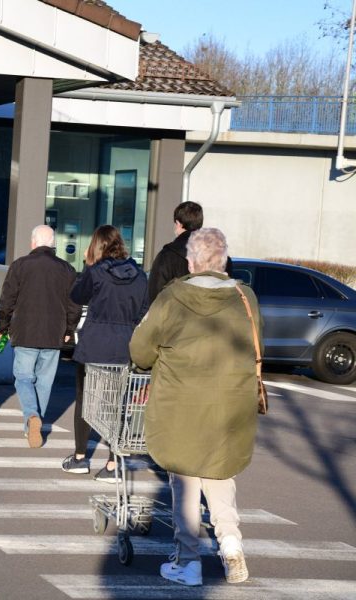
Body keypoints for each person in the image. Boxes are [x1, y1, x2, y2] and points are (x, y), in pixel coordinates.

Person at [130, 227, 260, 587]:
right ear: (222, 261)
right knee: (219, 475)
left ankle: (188, 563)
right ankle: (231, 544)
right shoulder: (245, 297)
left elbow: (140, 351)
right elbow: (255, 346)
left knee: (185, 481)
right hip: (230, 404)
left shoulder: (172, 298)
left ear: (192, 261)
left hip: (181, 404)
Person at [61, 225, 149, 480]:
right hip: (124, 346)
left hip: (94, 345)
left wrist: (89, 269)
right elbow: (143, 308)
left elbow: (77, 295)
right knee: (117, 404)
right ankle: (112, 463)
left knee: (86, 399)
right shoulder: (140, 275)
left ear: (97, 246)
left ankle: (80, 457)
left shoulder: (97, 272)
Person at [0, 224, 81, 448]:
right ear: (53, 244)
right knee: (44, 382)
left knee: (23, 378)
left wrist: (3, 326)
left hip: (24, 331)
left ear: (33, 242)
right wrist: (69, 329)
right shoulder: (67, 269)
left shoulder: (20, 266)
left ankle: (32, 416)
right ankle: (33, 425)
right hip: (54, 333)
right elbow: (74, 304)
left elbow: (7, 300)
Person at [148, 200, 232, 302]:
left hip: (177, 315)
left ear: (178, 224)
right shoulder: (218, 255)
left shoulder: (167, 256)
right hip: (214, 315)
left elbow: (155, 295)